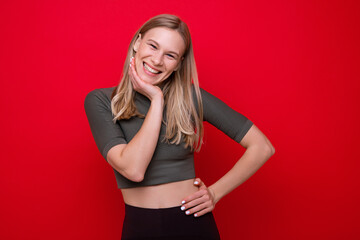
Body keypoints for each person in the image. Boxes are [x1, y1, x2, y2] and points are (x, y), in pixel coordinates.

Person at [84, 14, 275, 240]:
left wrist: (214, 193)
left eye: (170, 55)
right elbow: (133, 170)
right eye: (153, 46)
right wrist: (156, 100)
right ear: (137, 42)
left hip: (192, 224)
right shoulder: (102, 101)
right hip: (140, 227)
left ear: (179, 64)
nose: (157, 60)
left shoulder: (192, 98)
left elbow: (262, 147)